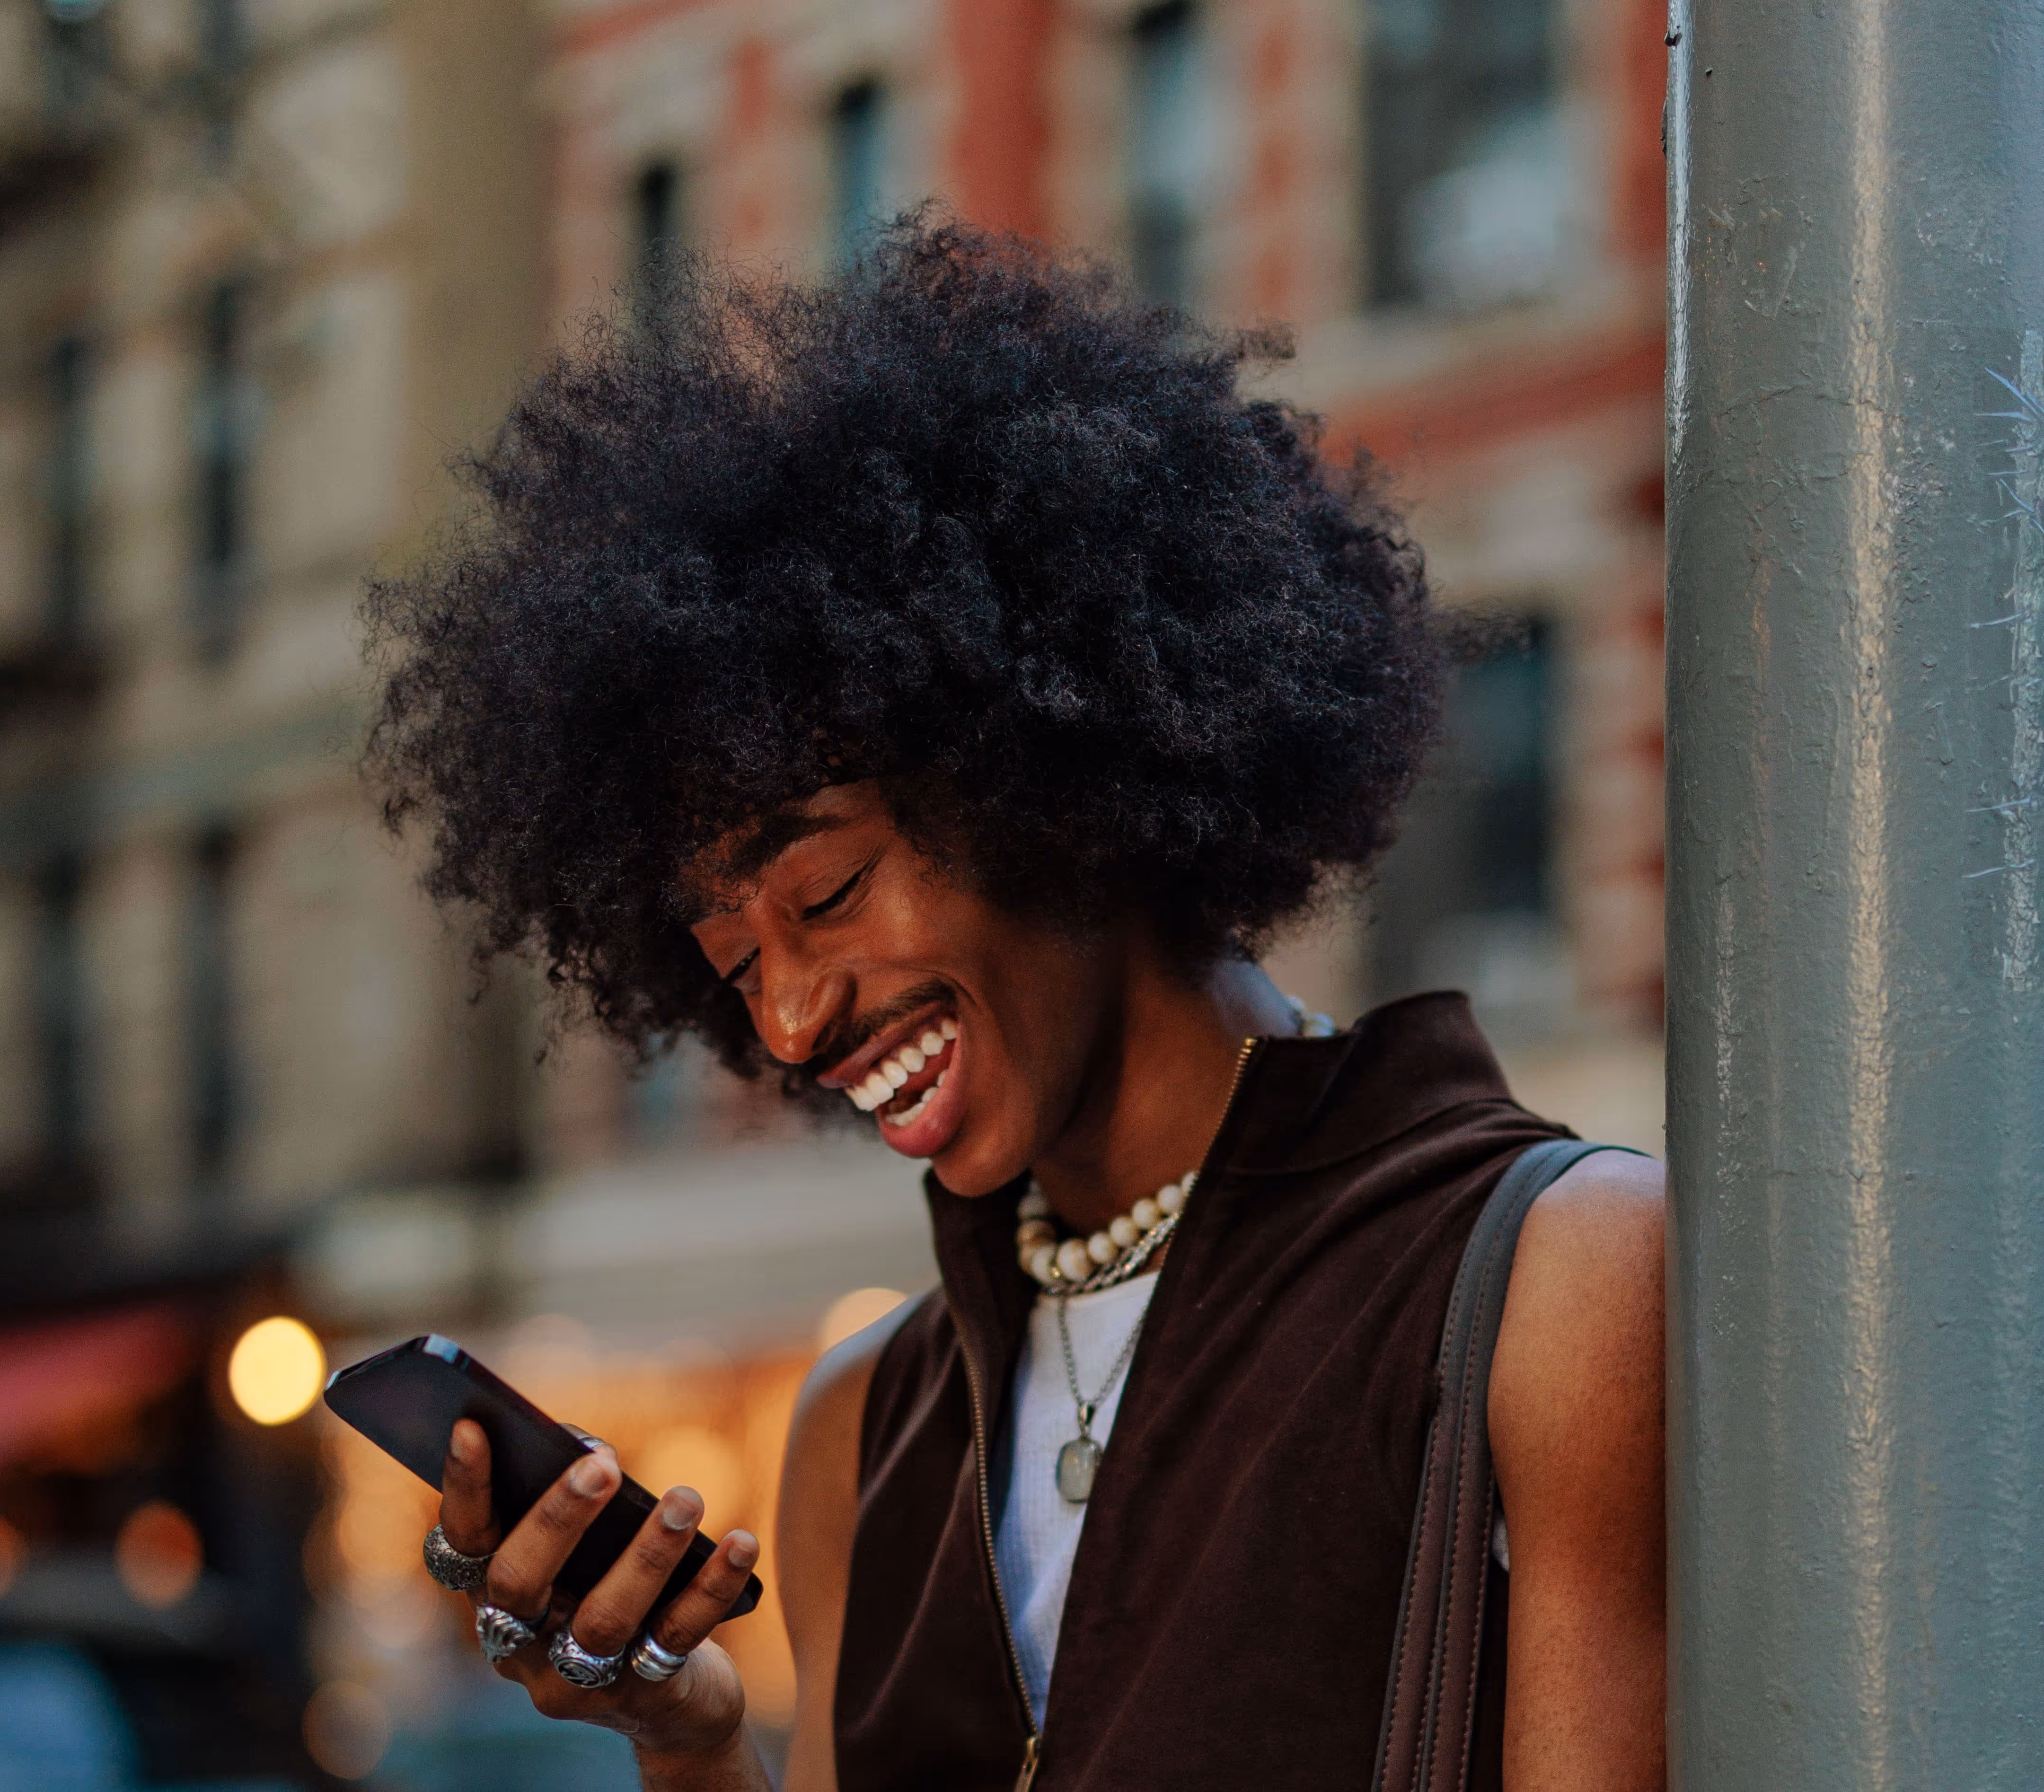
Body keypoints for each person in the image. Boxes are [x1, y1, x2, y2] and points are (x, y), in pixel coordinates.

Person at [364, 219, 1665, 1792]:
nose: (784, 1024)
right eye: (728, 965)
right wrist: (692, 1743)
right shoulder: (866, 1427)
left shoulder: (1555, 1276)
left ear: (1047, 774)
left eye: (828, 896)